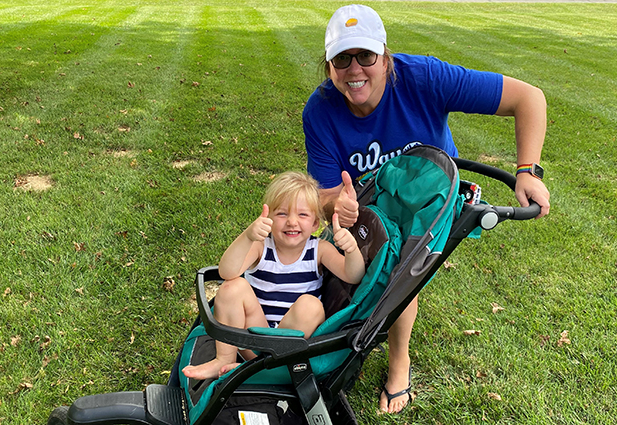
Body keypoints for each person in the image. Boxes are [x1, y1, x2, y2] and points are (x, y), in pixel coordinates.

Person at [302, 4, 551, 414]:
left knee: (402, 266)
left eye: (365, 56)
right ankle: (337, 334)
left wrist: (528, 171)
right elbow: (327, 193)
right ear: (329, 66)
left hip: (433, 195)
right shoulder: (320, 109)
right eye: (341, 59)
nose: (354, 69)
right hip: (375, 201)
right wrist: (337, 205)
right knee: (345, 260)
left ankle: (399, 363)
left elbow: (529, 98)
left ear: (385, 57)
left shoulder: (425, 78)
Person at [182, 172, 366, 380]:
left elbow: (354, 275)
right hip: (252, 339)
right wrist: (247, 236)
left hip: (287, 346)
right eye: (282, 214)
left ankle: (260, 368)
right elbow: (226, 272)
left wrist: (351, 250)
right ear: (268, 219)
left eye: (303, 215)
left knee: (311, 306)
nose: (292, 222)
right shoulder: (261, 246)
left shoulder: (319, 250)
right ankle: (225, 359)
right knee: (231, 287)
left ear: (316, 224)